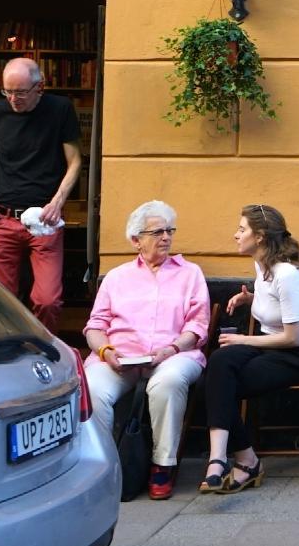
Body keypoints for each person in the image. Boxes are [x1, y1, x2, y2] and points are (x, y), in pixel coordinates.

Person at [82, 201, 209, 501]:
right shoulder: (117, 277)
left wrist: (173, 348)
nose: (165, 237)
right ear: (136, 240)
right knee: (91, 387)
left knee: (166, 382)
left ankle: (162, 465)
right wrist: (106, 352)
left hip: (175, 355)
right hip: (121, 357)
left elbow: (198, 325)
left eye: (169, 231)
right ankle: (104, 466)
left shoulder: (190, 273)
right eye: (157, 232)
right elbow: (95, 326)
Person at [200, 205, 299, 494]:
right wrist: (250, 299)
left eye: (242, 230)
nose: (236, 235)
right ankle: (220, 457)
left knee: (221, 383)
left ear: (261, 236)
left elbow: (292, 338)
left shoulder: (286, 274)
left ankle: (243, 459)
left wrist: (243, 340)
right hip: (269, 346)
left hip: (296, 354)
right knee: (219, 363)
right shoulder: (262, 265)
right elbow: (277, 304)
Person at [0, 56, 83, 333]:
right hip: (1, 217)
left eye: (20, 92)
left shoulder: (60, 109)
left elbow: (76, 160)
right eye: (7, 91)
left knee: (47, 300)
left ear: (39, 87)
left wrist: (58, 201)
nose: (13, 99)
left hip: (45, 217)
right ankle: (8, 353)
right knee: (0, 299)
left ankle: (42, 349)